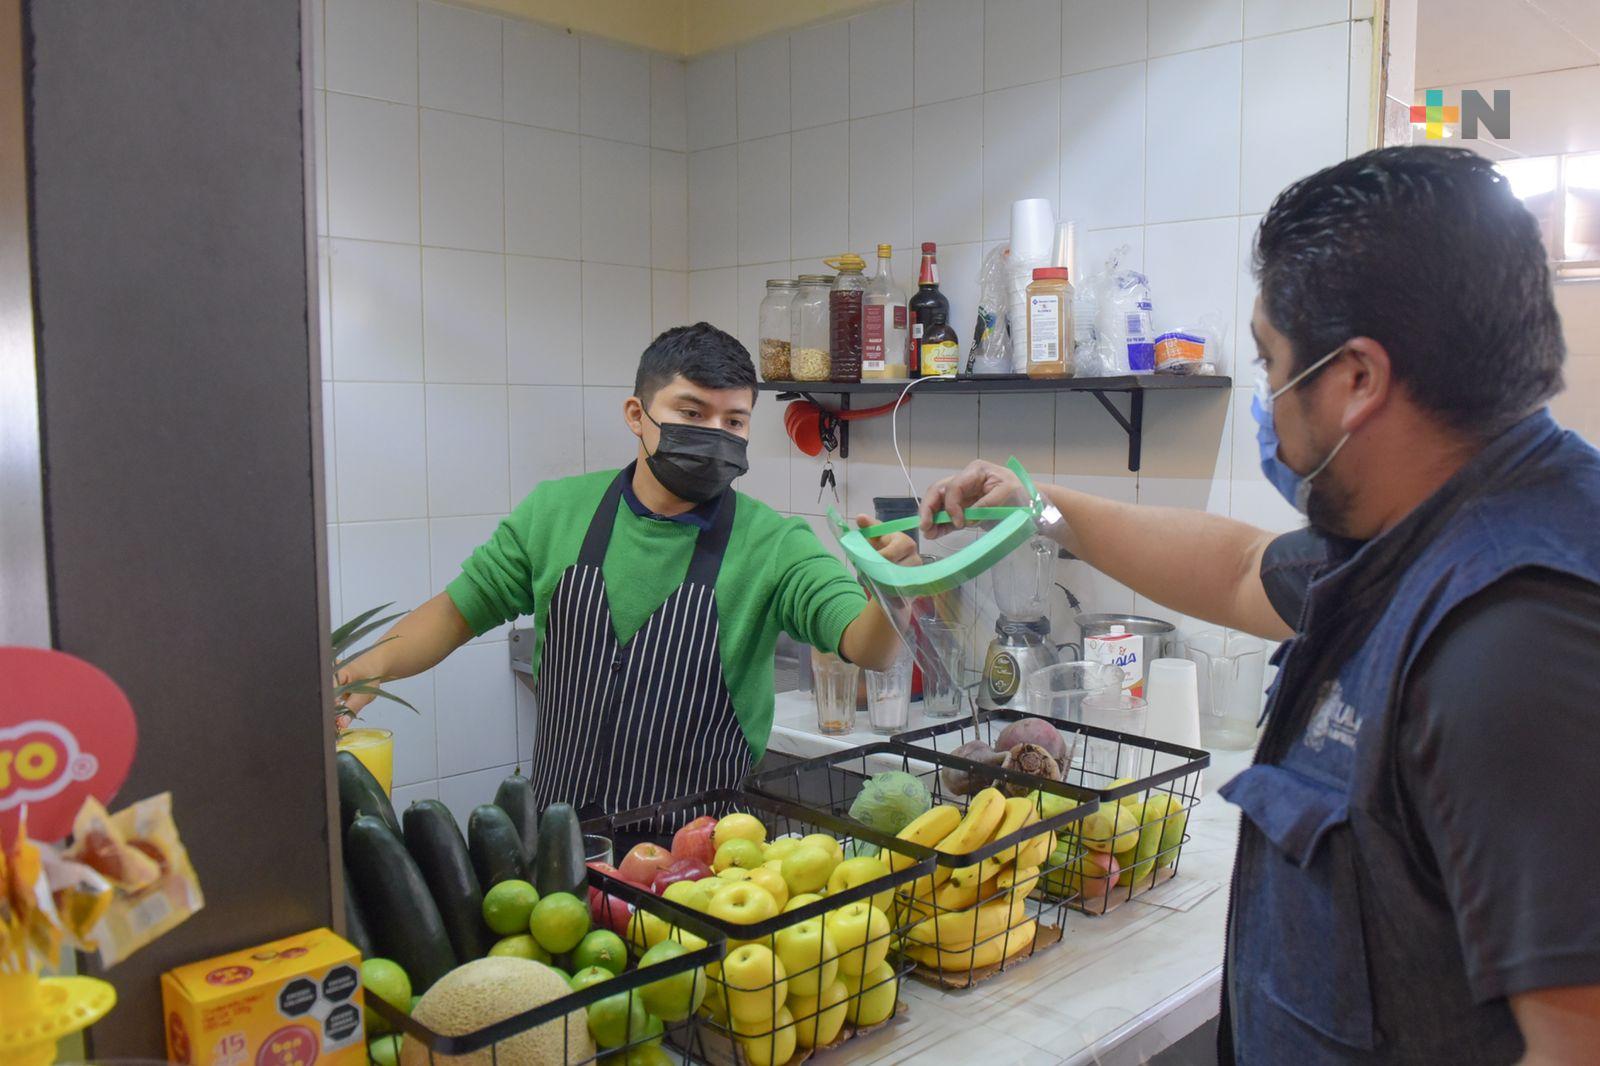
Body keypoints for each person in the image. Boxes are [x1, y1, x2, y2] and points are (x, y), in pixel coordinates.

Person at [920, 147, 1600, 1063]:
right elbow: (1243, 570)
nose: (1270, 400)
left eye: (1272, 362)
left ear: (1358, 379)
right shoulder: (1428, 531)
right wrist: (1038, 507)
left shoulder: (1515, 639)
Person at [338, 323, 912, 825]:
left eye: (734, 421)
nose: (714, 433)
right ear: (637, 415)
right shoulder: (555, 514)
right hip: (562, 850)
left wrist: (890, 590)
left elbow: (867, 647)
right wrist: (361, 674)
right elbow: (458, 610)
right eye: (691, 413)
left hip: (706, 863)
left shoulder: (775, 544)